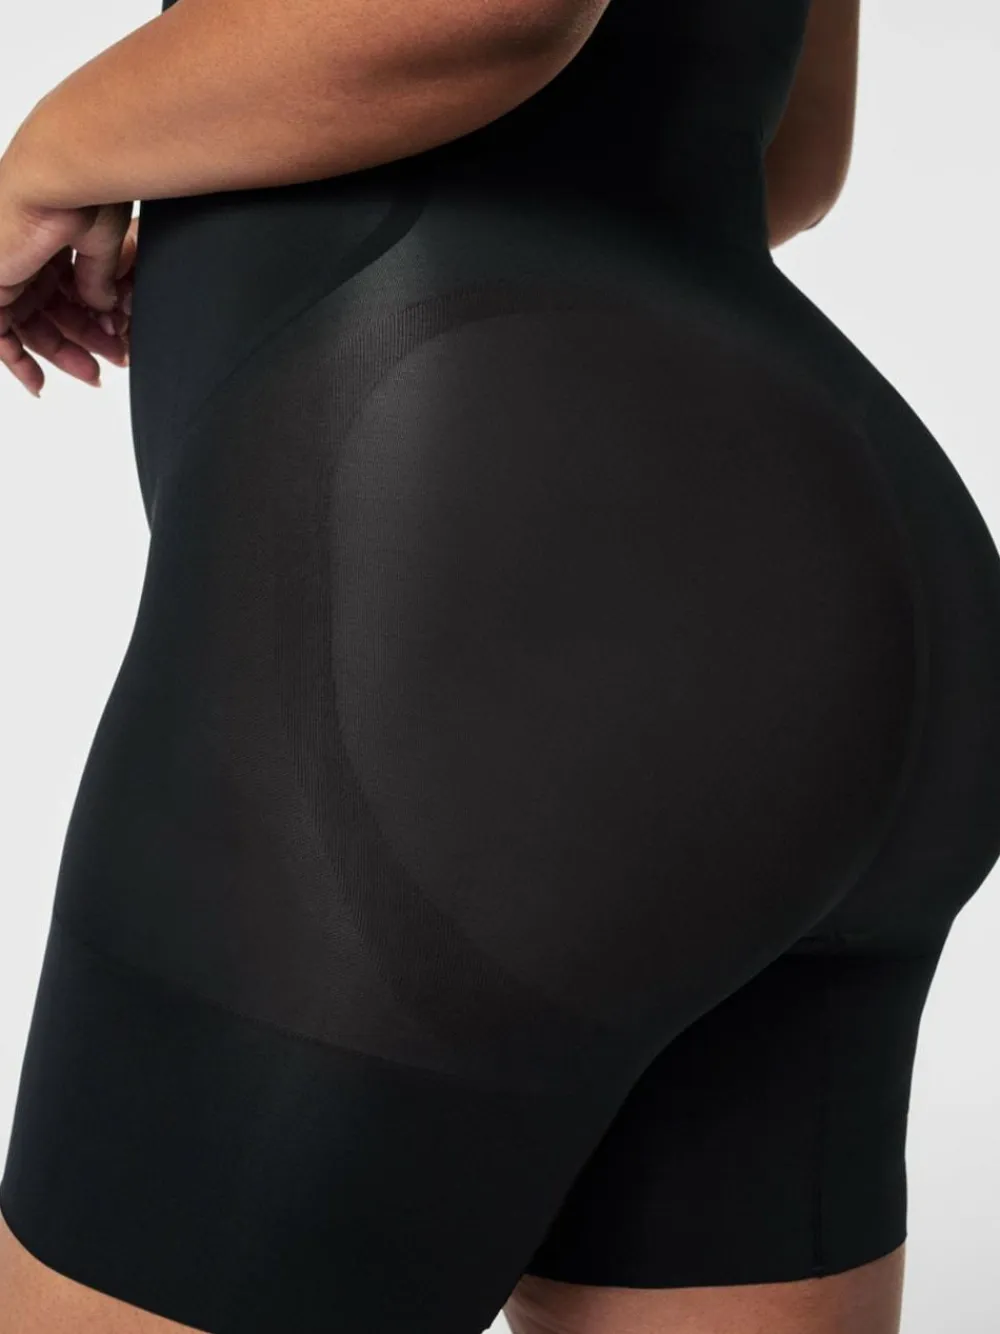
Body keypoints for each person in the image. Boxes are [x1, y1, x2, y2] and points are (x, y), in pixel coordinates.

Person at [1, 1, 999, 1331]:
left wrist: (48, 158)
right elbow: (776, 155)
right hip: (846, 567)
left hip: (470, 589)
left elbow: (483, 12)